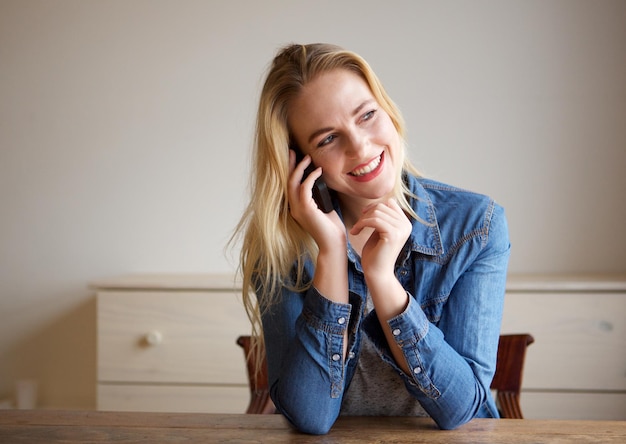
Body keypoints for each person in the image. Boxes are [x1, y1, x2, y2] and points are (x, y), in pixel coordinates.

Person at [232, 43, 510, 435]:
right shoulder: (281, 245)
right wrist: (330, 253)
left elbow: (461, 407)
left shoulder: (475, 226)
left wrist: (383, 281)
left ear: (388, 110)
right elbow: (309, 416)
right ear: (298, 160)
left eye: (367, 115)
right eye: (328, 138)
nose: (360, 147)